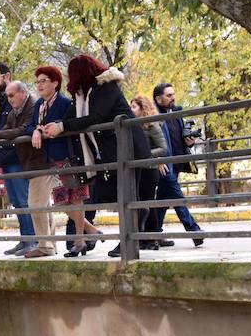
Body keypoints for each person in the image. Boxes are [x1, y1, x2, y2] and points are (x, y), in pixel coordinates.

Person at [41, 57, 135, 257]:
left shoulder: (105, 88)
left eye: (43, 81)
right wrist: (44, 128)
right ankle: (90, 234)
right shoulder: (79, 95)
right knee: (75, 201)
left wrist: (62, 127)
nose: (39, 85)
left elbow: (95, 117)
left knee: (125, 198)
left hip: (116, 151)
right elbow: (69, 117)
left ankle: (123, 242)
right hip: (99, 156)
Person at [0, 80, 40, 256]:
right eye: (8, 96)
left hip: (24, 159)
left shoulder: (33, 106)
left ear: (22, 92)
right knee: (16, 201)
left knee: (23, 200)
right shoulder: (14, 111)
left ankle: (32, 239)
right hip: (11, 159)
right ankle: (25, 239)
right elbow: (7, 128)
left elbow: (23, 129)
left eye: (12, 95)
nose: (10, 99)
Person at [19, 66, 71, 258]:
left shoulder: (64, 103)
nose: (39, 85)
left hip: (60, 158)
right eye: (37, 82)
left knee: (62, 202)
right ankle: (49, 245)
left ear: (55, 83)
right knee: (47, 203)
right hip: (44, 160)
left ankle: (46, 245)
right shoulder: (40, 104)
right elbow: (31, 125)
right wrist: (35, 130)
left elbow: (57, 125)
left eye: (43, 81)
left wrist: (40, 130)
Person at [152, 82, 204, 247]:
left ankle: (153, 233)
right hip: (164, 163)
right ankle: (194, 231)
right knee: (176, 196)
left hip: (178, 162)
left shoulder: (177, 112)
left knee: (164, 198)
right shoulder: (153, 115)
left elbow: (181, 137)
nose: (173, 98)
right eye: (169, 95)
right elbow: (150, 140)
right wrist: (157, 160)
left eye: (173, 94)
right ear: (158, 99)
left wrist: (189, 142)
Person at [129, 95, 167, 250]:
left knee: (147, 203)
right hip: (137, 169)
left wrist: (145, 155)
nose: (131, 110)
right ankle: (143, 238)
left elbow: (163, 148)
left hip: (149, 170)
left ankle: (151, 239)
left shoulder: (152, 126)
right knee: (139, 204)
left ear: (142, 108)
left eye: (134, 107)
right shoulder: (132, 126)